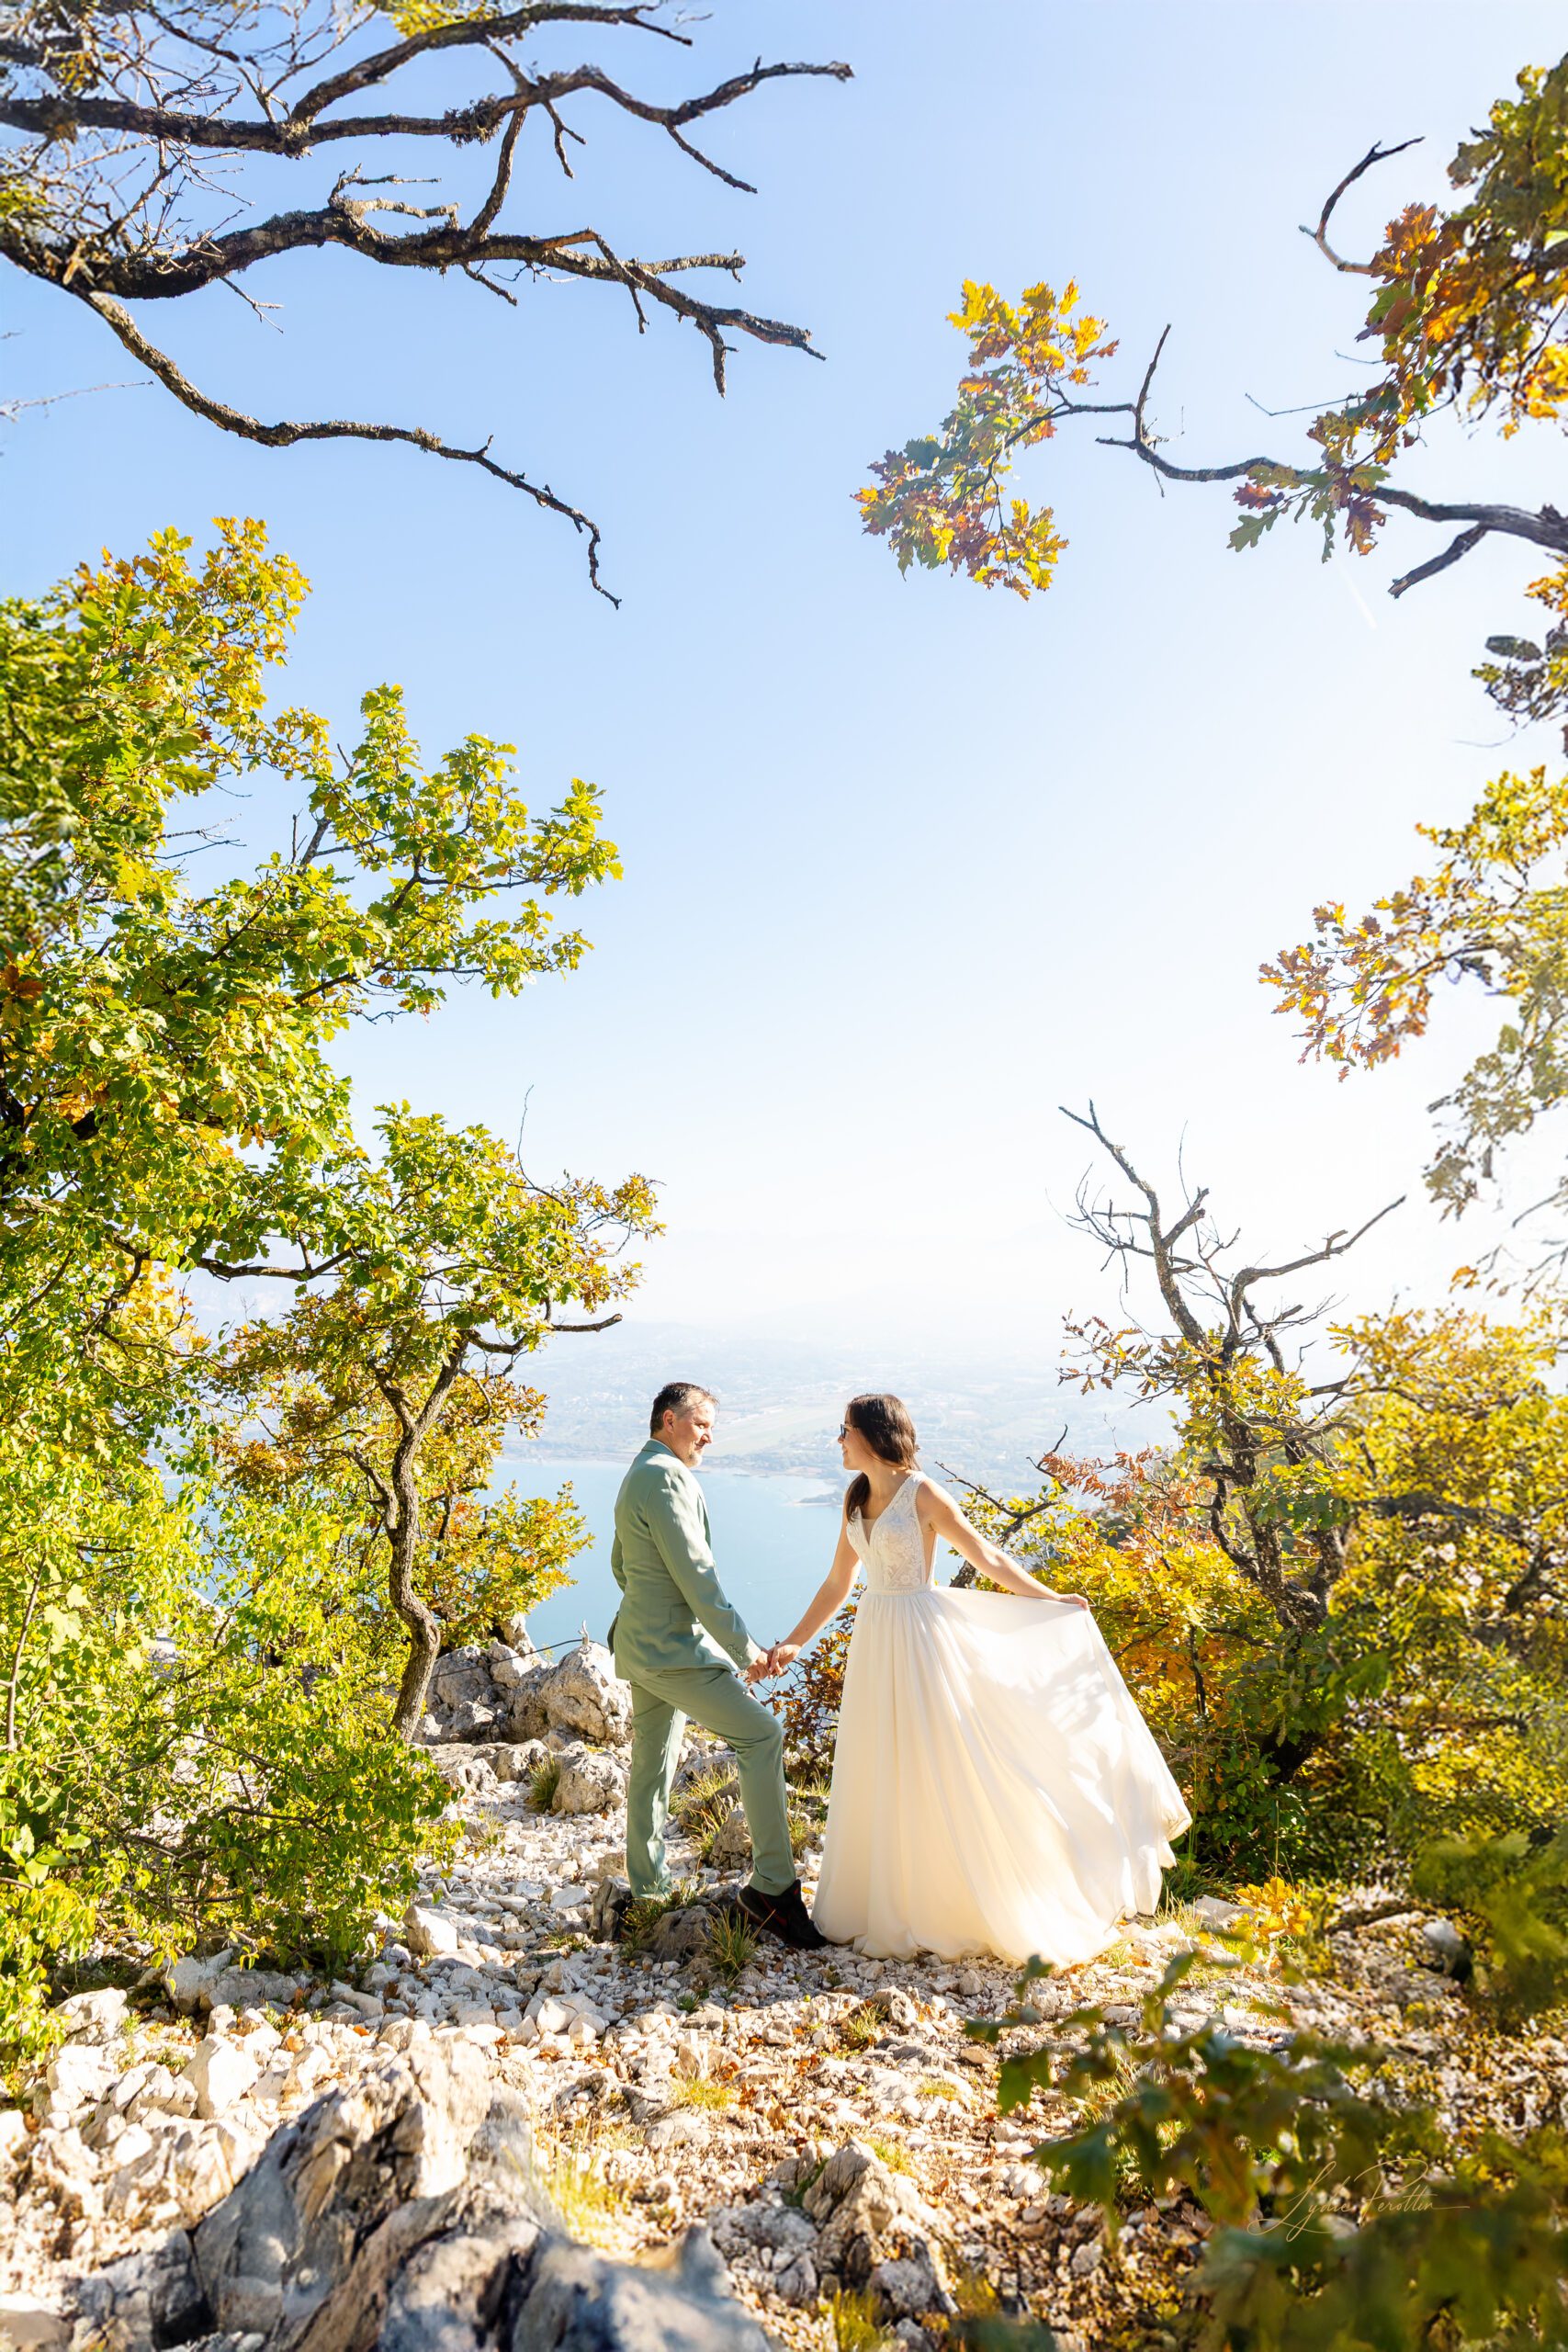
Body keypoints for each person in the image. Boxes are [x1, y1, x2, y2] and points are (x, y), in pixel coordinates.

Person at [761, 1393, 1191, 1968]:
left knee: (940, 1762)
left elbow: (986, 1556)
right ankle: (883, 1901)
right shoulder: (855, 1497)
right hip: (876, 1638)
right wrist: (795, 1640)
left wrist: (1050, 1598)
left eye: (844, 1429)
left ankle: (955, 1901)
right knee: (880, 1761)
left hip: (919, 1638)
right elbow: (839, 1581)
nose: (838, 1440)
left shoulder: (923, 1494)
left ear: (872, 1434)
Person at [609, 1382, 825, 1950]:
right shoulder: (667, 1478)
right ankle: (773, 1889)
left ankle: (649, 1888)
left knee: (653, 1764)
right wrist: (747, 1652)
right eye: (701, 1424)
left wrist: (649, 1615)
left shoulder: (638, 1473)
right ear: (669, 1419)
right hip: (673, 1652)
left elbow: (621, 1567)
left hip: (641, 1647)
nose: (708, 1436)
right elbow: (699, 1580)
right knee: (762, 1735)